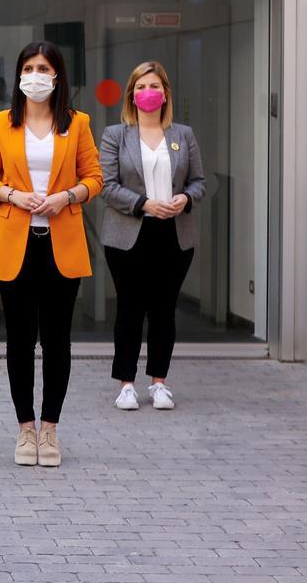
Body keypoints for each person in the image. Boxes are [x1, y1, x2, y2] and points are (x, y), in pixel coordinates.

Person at [0, 41, 102, 468]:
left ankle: (51, 431)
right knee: (19, 341)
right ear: (19, 75)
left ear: (57, 75)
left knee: (57, 342)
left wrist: (66, 197)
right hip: (16, 243)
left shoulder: (77, 123)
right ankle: (25, 430)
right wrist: (12, 194)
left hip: (61, 245)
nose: (35, 74)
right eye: (28, 67)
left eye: (43, 67)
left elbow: (95, 177)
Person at [99, 61, 205, 411]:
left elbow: (200, 182)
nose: (149, 93)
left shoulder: (183, 135)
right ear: (132, 94)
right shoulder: (116, 135)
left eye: (155, 87)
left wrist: (185, 198)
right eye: (142, 87)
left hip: (174, 235)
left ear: (165, 94)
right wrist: (144, 204)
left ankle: (159, 382)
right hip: (129, 234)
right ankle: (126, 384)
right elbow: (107, 186)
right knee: (129, 309)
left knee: (164, 310)